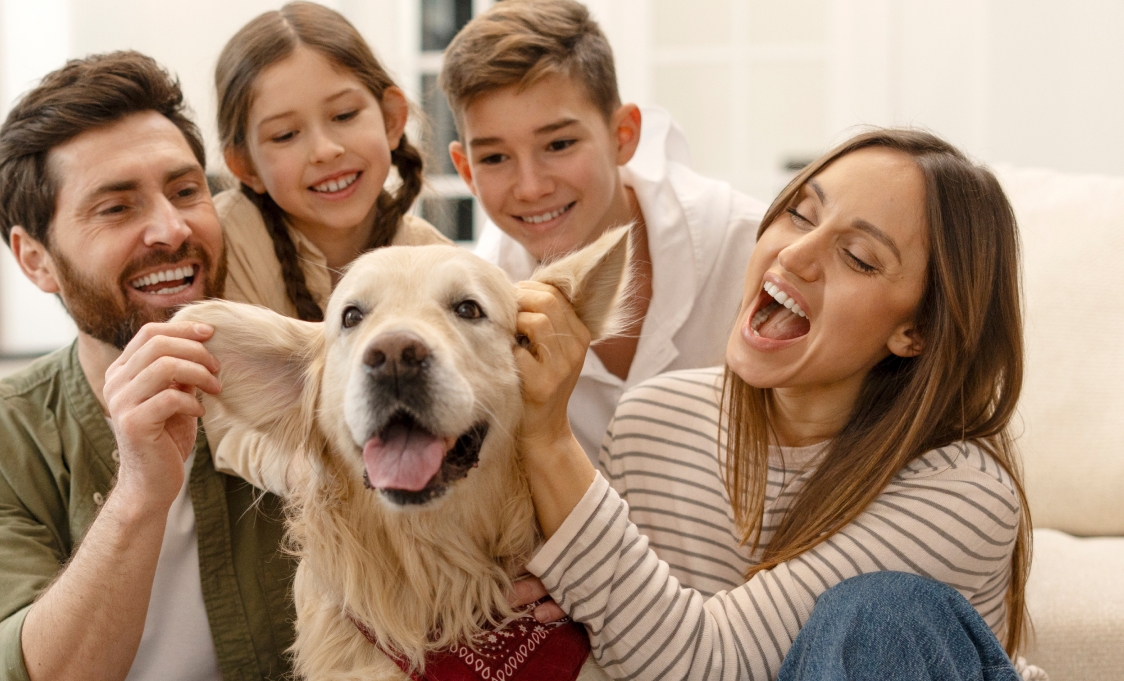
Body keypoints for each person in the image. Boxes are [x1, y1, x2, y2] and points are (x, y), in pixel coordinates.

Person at [0, 52, 298, 681]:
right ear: (36, 259)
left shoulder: (302, 389)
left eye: (185, 191)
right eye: (117, 208)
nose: (171, 229)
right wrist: (140, 492)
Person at [512, 129, 1042, 680]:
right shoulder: (653, 422)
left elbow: (704, 665)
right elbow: (627, 644)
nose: (796, 255)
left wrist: (547, 435)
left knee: (881, 614)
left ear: (918, 330)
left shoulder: (963, 493)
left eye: (859, 258)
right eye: (802, 215)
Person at [440, 0, 766, 461]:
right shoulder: (478, 306)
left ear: (623, 134)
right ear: (466, 171)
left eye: (559, 144)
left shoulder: (749, 247)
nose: (531, 188)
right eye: (494, 158)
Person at [214, 1, 450, 323]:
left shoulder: (436, 260)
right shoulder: (219, 248)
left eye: (344, 115)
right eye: (285, 135)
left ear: (392, 119)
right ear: (246, 167)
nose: (324, 150)